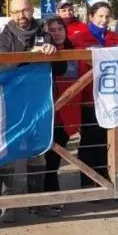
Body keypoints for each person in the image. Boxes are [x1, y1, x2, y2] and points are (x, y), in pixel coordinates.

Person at [0, 0, 59, 223]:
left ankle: (36, 203)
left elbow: (59, 68)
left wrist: (52, 50)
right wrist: (32, 53)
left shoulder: (46, 34)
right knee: (8, 156)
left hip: (38, 104)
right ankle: (7, 205)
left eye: (26, 10)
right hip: (10, 104)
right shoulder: (2, 39)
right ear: (10, 14)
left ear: (32, 10)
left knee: (38, 153)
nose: (22, 15)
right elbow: (3, 66)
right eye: (17, 11)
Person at [67, 2, 118, 186]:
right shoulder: (78, 38)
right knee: (90, 138)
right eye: (100, 16)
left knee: (108, 138)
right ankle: (88, 179)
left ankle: (106, 178)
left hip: (110, 97)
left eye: (107, 16)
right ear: (91, 16)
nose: (104, 20)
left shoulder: (116, 39)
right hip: (87, 97)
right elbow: (73, 65)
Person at [43, 16, 82, 205]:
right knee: (47, 159)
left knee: (55, 157)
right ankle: (50, 197)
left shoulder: (74, 50)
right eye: (52, 30)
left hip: (67, 112)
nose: (56, 33)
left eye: (60, 29)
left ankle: (51, 197)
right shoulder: (40, 51)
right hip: (47, 111)